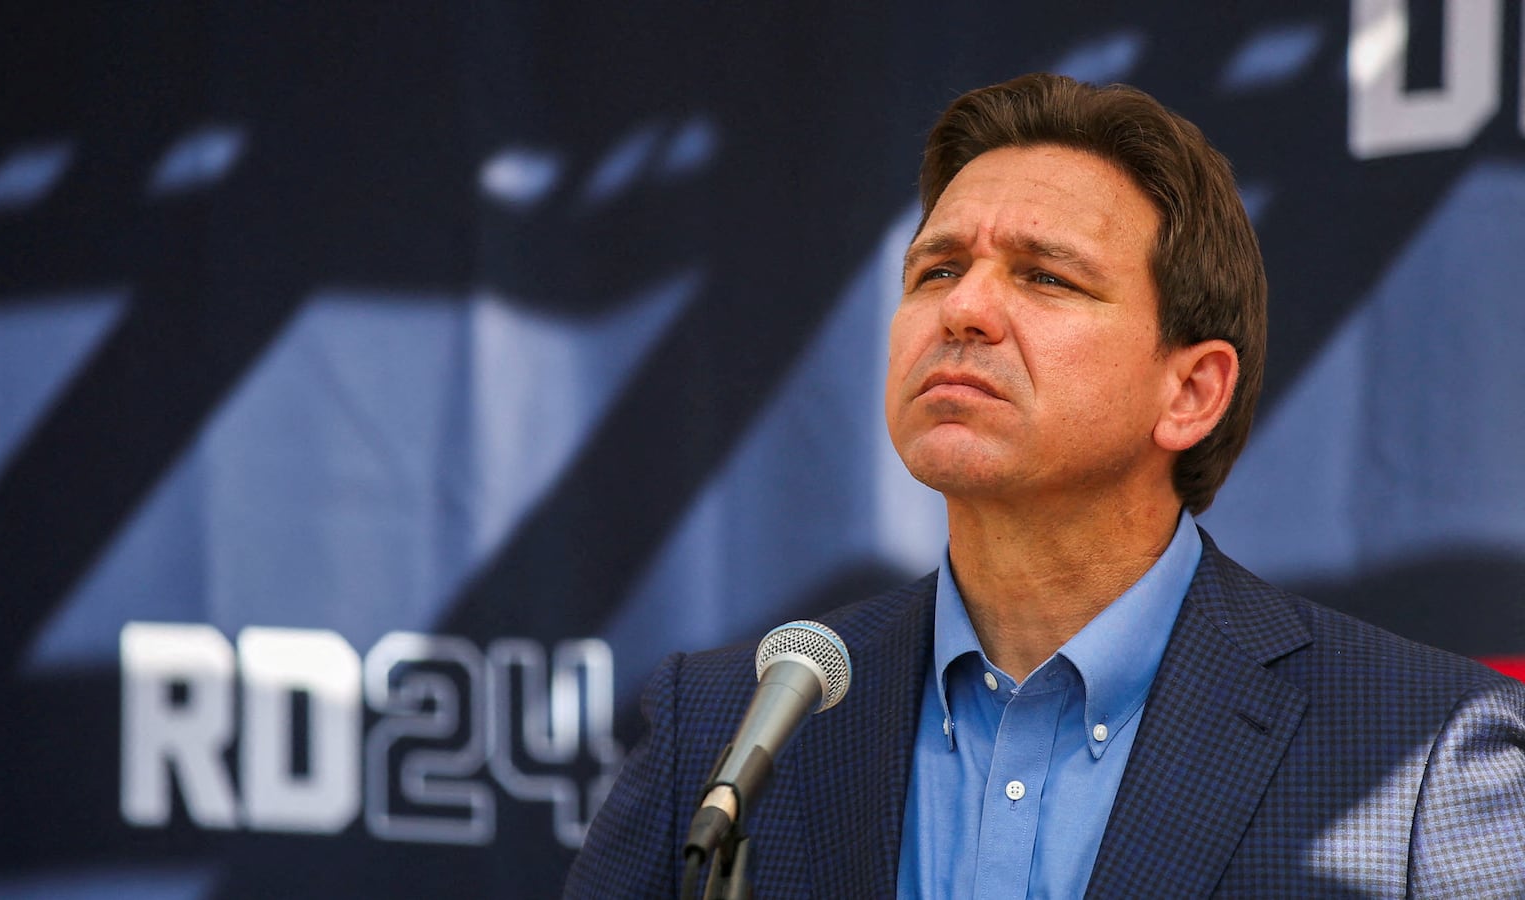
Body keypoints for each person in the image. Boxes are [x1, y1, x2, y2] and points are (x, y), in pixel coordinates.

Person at [563, 73, 1525, 897]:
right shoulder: (732, 728)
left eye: (1047, 278)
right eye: (936, 270)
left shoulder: (1422, 752)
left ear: (1191, 391)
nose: (966, 308)